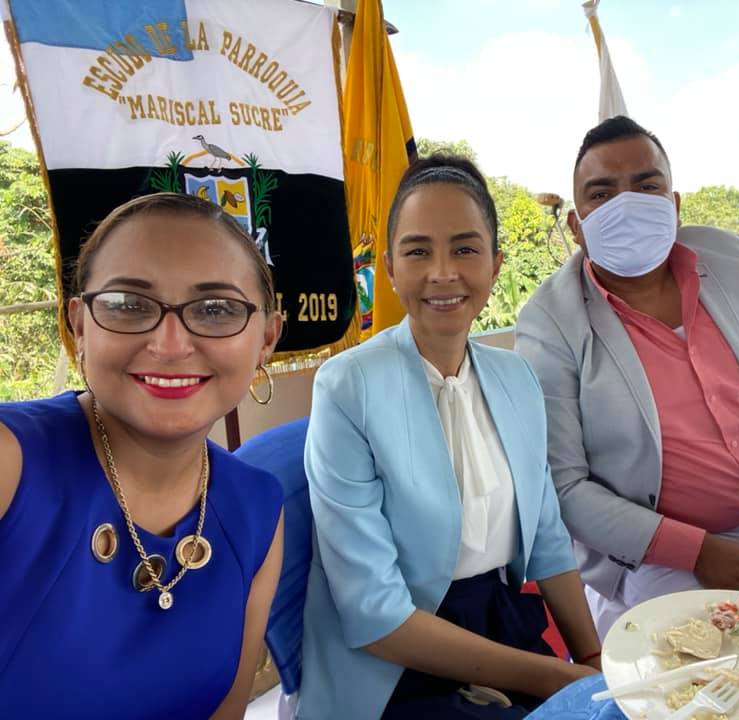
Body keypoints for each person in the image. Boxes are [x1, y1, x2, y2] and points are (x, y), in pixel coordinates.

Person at [514, 116, 739, 641]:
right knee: (723, 671)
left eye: (646, 187)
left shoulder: (731, 260)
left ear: (674, 206)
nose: (626, 207)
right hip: (660, 553)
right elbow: (564, 486)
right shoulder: (550, 321)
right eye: (602, 194)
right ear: (576, 224)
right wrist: (696, 550)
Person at [297, 155, 601, 719]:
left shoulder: (516, 377)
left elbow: (547, 536)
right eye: (418, 252)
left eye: (465, 249)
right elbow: (376, 614)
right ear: (389, 268)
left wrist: (593, 658)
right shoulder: (348, 386)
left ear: (496, 264)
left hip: (501, 624)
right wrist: (560, 677)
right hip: (397, 663)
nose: (442, 273)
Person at [0, 193, 284, 718]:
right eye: (128, 304)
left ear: (267, 337)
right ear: (79, 326)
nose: (170, 345)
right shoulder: (11, 464)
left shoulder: (258, 507)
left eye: (216, 309)